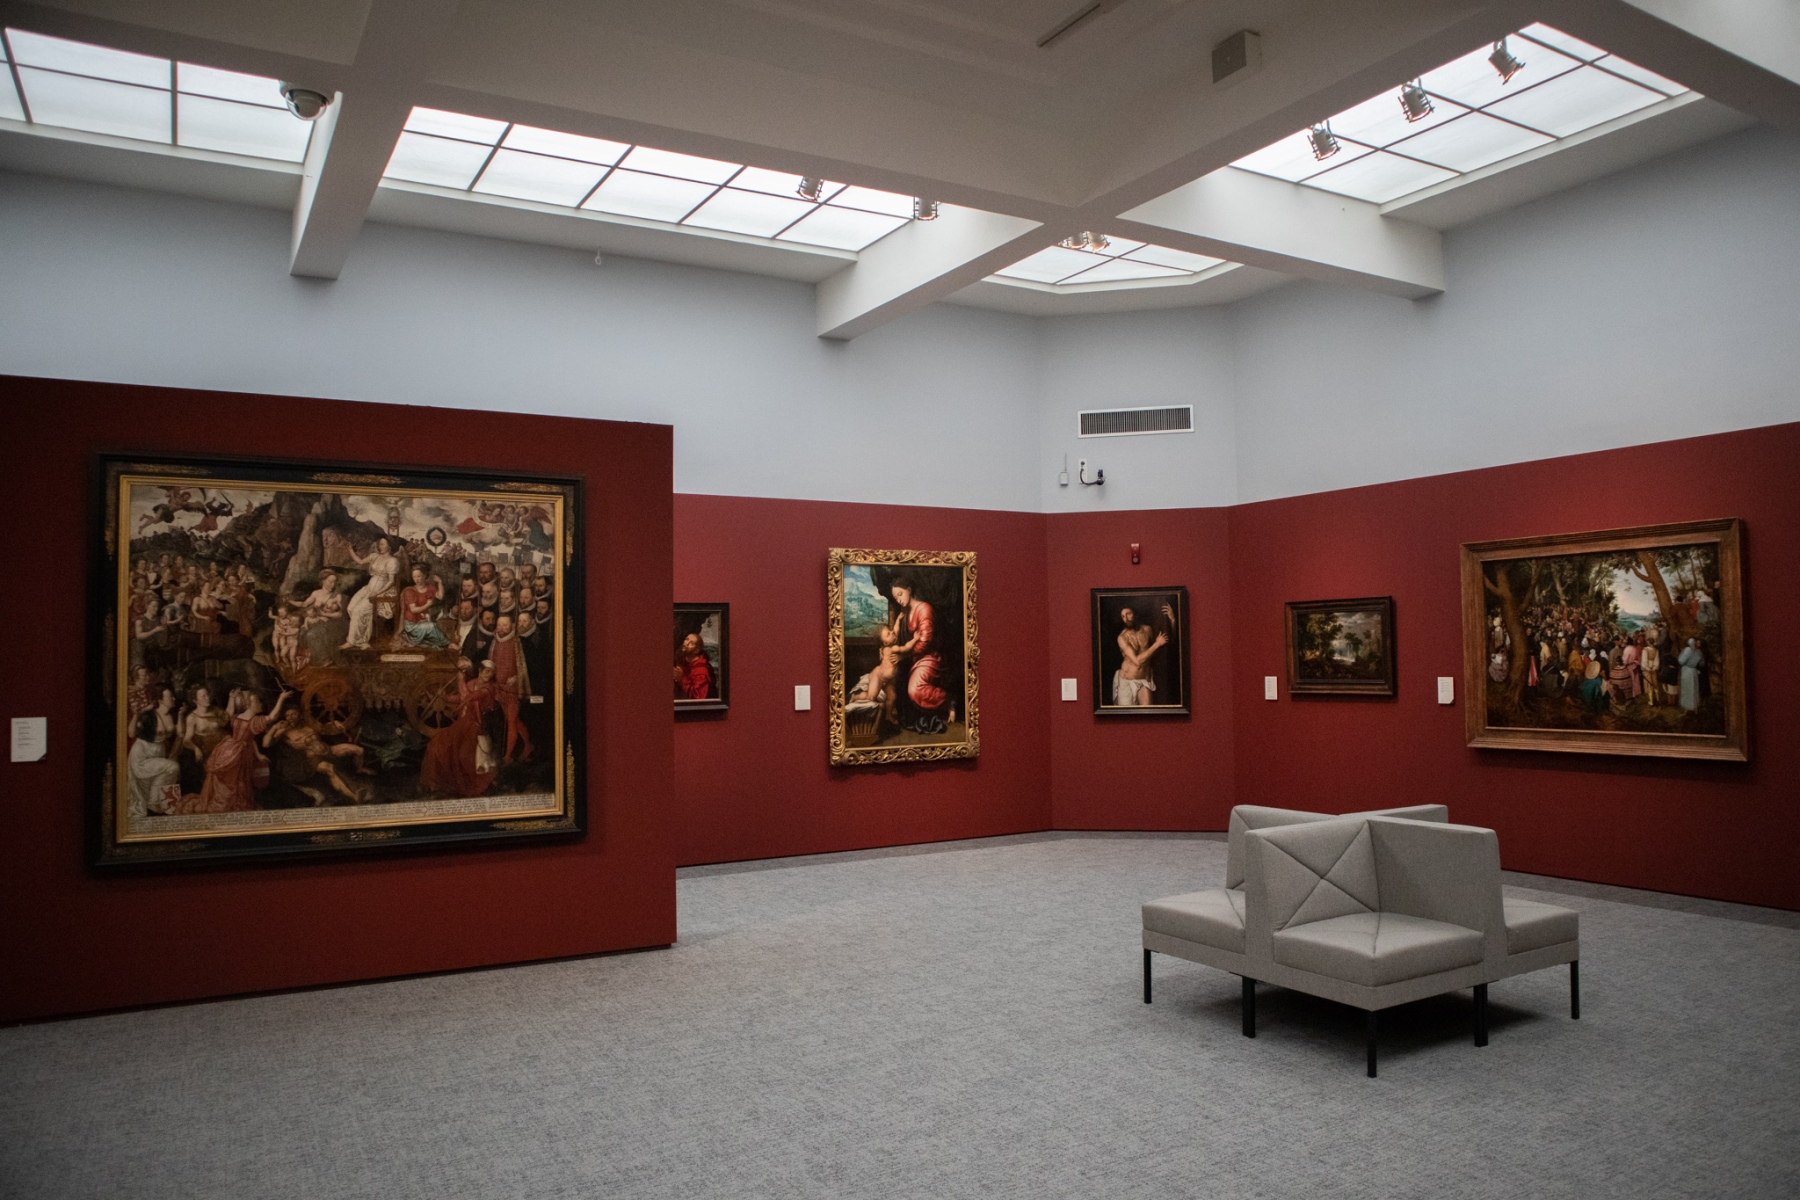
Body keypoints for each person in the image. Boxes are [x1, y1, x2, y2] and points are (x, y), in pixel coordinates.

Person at [174, 689, 290, 814]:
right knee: (236, 782)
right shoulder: (253, 721)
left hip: (228, 749)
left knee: (233, 781)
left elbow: (249, 739)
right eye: (257, 702)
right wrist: (281, 698)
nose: (261, 704)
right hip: (238, 754)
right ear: (248, 704)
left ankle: (230, 801)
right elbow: (273, 717)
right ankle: (230, 803)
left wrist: (258, 754)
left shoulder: (237, 717)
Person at [420, 660, 498, 797]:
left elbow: (468, 696)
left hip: (475, 728)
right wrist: (445, 697)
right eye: (487, 671)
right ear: (480, 671)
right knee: (436, 745)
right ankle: (436, 784)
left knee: (464, 756)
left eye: (492, 672)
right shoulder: (472, 683)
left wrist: (460, 679)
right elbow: (460, 699)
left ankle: (474, 786)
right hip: (461, 725)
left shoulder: (489, 689)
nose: (489, 675)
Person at [262, 707, 371, 804]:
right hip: (311, 758)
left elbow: (325, 727)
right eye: (288, 715)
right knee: (329, 768)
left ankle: (359, 768)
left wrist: (335, 723)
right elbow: (266, 744)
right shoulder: (284, 732)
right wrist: (274, 728)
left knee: (359, 750)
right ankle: (354, 797)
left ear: (300, 715)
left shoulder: (309, 725)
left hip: (328, 749)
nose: (290, 717)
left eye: (293, 714)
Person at [888, 575, 949, 730]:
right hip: (914, 658)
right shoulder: (905, 612)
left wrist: (904, 655)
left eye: (900, 594)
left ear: (909, 590)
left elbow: (926, 642)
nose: (899, 600)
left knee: (914, 690)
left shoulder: (924, 608)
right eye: (895, 597)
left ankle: (949, 700)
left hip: (929, 657)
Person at [126, 691, 182, 817]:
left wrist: (180, 716)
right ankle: (153, 801)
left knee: (169, 771)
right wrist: (137, 715)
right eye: (169, 696)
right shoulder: (149, 716)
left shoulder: (170, 716)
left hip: (158, 753)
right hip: (142, 755)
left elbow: (180, 734)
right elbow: (131, 733)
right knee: (173, 767)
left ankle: (154, 801)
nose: (173, 698)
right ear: (160, 700)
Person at [488, 614, 533, 763]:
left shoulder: (516, 642)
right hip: (499, 688)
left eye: (505, 625)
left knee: (512, 722)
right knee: (513, 720)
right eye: (499, 625)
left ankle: (507, 756)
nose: (501, 628)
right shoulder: (494, 642)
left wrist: (516, 677)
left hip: (512, 689)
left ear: (511, 626)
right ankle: (528, 746)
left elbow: (523, 665)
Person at [342, 537, 400, 650]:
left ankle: (353, 641)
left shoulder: (393, 561)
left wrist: (377, 593)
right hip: (369, 588)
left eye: (383, 544)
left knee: (358, 611)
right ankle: (361, 637)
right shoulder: (374, 556)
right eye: (379, 544)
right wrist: (350, 550)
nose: (380, 546)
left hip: (382, 591)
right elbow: (360, 561)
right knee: (350, 608)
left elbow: (391, 581)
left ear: (390, 546)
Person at [1114, 604, 1170, 706]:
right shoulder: (1122, 637)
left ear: (1134, 613)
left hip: (1144, 679)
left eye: (1128, 614)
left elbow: (1164, 643)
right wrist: (1157, 644)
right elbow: (1137, 661)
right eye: (1123, 616)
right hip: (1126, 681)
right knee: (1127, 715)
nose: (1126, 618)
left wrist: (1173, 620)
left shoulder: (1147, 630)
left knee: (1147, 711)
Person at [847, 624, 901, 728]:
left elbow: (896, 631)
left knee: (892, 697)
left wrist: (898, 621)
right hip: (878, 677)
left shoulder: (891, 644)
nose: (892, 632)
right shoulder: (889, 649)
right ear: (885, 642)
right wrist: (913, 641)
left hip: (887, 680)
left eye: (890, 631)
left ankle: (888, 715)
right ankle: (855, 697)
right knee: (871, 697)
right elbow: (907, 648)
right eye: (888, 634)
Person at [399, 567, 450, 648]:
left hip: (423, 621)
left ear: (425, 576)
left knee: (433, 626)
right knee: (431, 626)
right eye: (414, 577)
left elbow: (440, 596)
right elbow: (413, 610)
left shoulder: (430, 588)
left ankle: (444, 644)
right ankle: (447, 644)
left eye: (419, 576)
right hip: (412, 624)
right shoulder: (410, 591)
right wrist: (427, 605)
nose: (416, 579)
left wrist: (440, 582)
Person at [674, 631, 716, 700]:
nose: (686, 643)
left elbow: (699, 698)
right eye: (687, 639)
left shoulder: (701, 671)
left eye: (691, 643)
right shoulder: (681, 660)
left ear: (697, 650)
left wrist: (682, 679)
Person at [1678, 638, 1705, 712]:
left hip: (1686, 671)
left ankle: (1686, 709)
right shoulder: (1699, 652)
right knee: (1694, 689)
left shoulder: (1688, 650)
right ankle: (1695, 708)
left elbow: (1681, 661)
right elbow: (1702, 663)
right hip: (1694, 671)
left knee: (1687, 690)